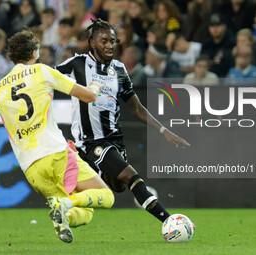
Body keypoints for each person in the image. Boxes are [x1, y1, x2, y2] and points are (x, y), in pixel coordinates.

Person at [0, 29, 114, 243]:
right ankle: (65, 206)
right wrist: (96, 84)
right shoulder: (41, 71)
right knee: (106, 196)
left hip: (31, 169)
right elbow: (89, 96)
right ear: (34, 53)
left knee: (84, 210)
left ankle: (64, 214)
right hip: (56, 154)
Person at [56, 19, 190, 224]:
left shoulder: (118, 69)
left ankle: (67, 207)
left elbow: (136, 108)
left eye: (112, 41)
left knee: (117, 187)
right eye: (104, 41)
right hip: (92, 142)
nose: (109, 45)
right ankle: (169, 221)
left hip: (114, 139)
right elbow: (46, 77)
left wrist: (164, 130)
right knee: (131, 176)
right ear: (92, 43)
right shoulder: (77, 64)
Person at [201, 13, 235, 77]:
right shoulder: (206, 44)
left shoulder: (232, 43)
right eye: (212, 25)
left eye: (218, 25)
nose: (215, 28)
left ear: (225, 26)